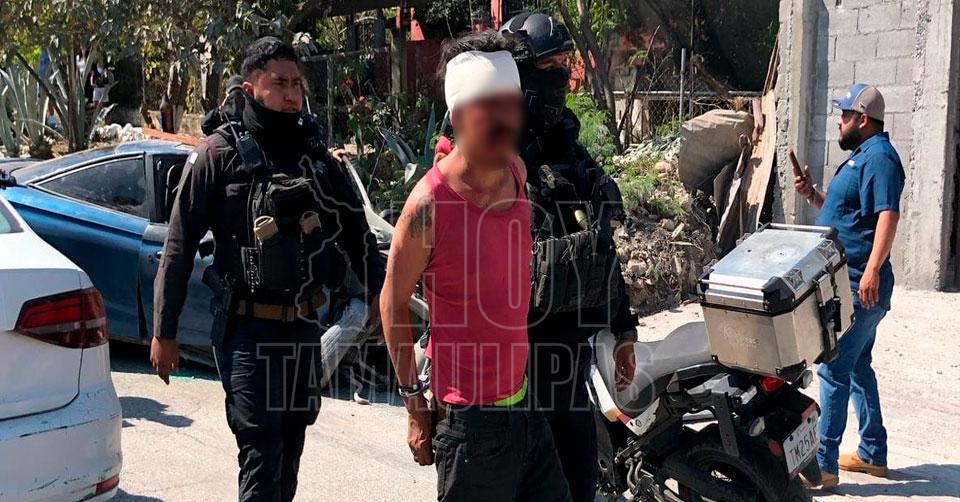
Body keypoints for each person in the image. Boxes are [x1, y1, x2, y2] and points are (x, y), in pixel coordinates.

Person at [150, 36, 384, 501]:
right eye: (279, 83)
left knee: (290, 451)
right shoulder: (218, 154)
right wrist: (164, 330)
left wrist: (380, 294)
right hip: (247, 332)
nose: (291, 94)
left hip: (302, 328)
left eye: (296, 84)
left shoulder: (315, 157)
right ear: (251, 87)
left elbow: (355, 232)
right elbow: (179, 244)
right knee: (261, 452)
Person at [380, 30, 572, 502]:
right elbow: (391, 301)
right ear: (458, 115)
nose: (505, 119)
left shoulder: (517, 173)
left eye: (511, 105)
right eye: (490, 108)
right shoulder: (428, 205)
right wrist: (413, 404)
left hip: (525, 407)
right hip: (470, 427)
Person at [500, 12, 638, 501]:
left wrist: (623, 329)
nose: (559, 77)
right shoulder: (489, 159)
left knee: (580, 485)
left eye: (564, 65)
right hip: (512, 374)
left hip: (569, 367)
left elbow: (599, 247)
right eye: (548, 66)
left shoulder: (572, 154)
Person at [794, 83, 904, 488]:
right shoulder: (863, 156)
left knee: (833, 367)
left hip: (860, 286)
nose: (838, 121)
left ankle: (824, 466)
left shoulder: (880, 159)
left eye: (844, 115)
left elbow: (887, 215)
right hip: (853, 282)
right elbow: (847, 215)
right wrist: (813, 195)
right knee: (857, 366)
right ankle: (873, 452)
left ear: (862, 119)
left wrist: (872, 269)